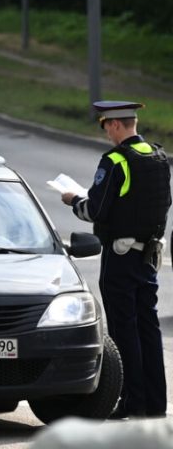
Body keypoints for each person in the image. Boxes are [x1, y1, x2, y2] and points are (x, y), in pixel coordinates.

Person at [61, 100, 171, 419]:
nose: (107, 133)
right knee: (148, 330)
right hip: (148, 256)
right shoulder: (159, 156)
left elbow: (95, 210)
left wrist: (73, 200)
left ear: (115, 125)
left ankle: (131, 402)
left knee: (124, 332)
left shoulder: (116, 161)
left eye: (106, 126)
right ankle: (154, 404)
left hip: (120, 258)